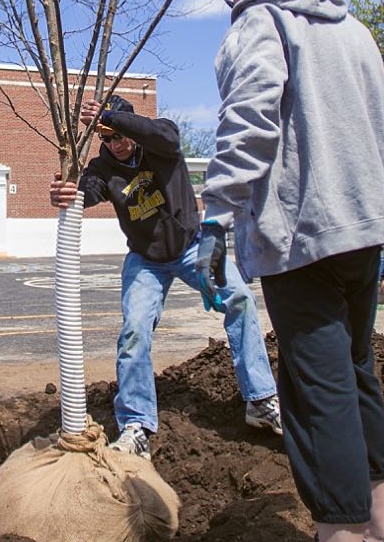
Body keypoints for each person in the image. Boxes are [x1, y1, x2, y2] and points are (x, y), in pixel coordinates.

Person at [199, 0, 384, 542]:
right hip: (362, 231)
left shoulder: (259, 22)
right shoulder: (355, 29)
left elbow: (247, 121)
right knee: (357, 379)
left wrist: (218, 214)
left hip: (305, 238)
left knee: (318, 402)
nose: (228, 0)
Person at [50, 95, 281, 460]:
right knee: (134, 332)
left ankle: (260, 399)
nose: (118, 144)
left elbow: (166, 137)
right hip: (146, 259)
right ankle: (136, 424)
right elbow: (89, 189)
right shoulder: (101, 168)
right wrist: (70, 192)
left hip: (193, 245)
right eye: (109, 138)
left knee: (239, 298)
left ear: (132, 129)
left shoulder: (161, 143)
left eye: (122, 134)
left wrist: (110, 117)